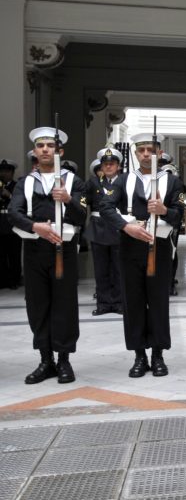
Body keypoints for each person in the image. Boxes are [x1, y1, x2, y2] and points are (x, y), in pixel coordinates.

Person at [99, 133, 185, 377]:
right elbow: (105, 206)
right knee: (133, 301)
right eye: (141, 150)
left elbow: (181, 213)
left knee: (158, 301)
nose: (146, 154)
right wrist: (126, 226)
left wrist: (165, 209)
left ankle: (158, 354)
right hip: (130, 246)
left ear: (159, 152)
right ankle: (139, 355)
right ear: (135, 154)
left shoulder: (172, 181)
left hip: (159, 246)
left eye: (151, 149)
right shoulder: (124, 179)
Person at [9, 127, 88, 384]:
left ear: (59, 151)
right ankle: (46, 360)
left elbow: (82, 216)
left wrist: (67, 199)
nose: (45, 149)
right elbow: (14, 212)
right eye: (40, 145)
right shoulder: (25, 182)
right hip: (34, 249)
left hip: (63, 250)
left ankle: (64, 360)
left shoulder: (73, 182)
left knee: (64, 304)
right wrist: (35, 227)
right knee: (38, 304)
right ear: (34, 151)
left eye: (50, 146)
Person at [85, 147, 125, 316]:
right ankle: (103, 302)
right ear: (101, 166)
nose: (108, 167)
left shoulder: (124, 181)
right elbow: (84, 203)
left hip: (118, 227)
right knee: (101, 268)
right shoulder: (93, 182)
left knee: (118, 267)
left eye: (112, 164)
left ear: (118, 166)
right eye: (105, 164)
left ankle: (118, 302)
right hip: (98, 227)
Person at [159, 152, 181, 296]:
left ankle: (170, 282)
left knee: (171, 252)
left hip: (171, 221)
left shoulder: (174, 181)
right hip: (156, 223)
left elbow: (178, 203)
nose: (161, 167)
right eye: (160, 164)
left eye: (163, 164)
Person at [0, 159, 22, 290]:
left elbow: (21, 202)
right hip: (0, 224)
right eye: (1, 171)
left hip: (12, 224)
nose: (3, 174)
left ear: (12, 173)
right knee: (1, 255)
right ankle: (3, 280)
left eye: (6, 171)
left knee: (14, 253)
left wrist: (9, 195)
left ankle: (15, 279)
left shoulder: (17, 185)